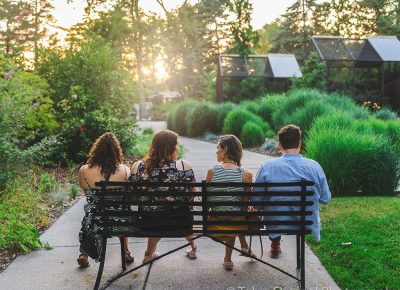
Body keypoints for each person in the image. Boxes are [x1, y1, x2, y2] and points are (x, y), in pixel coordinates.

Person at [252, 124, 332, 258]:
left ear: (280, 145)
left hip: (276, 222)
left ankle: (275, 242)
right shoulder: (314, 166)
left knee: (273, 205)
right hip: (305, 223)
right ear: (300, 144)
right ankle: (278, 244)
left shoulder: (267, 166)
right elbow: (326, 199)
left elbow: (255, 202)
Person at [130, 130, 198, 263]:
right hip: (180, 220)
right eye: (176, 145)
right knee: (181, 211)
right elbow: (193, 193)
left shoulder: (137, 166)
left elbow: (133, 194)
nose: (177, 148)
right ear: (170, 147)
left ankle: (148, 254)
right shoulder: (183, 166)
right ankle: (193, 248)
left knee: (157, 214)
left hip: (148, 221)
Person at [77, 132, 134, 268]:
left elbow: (85, 189)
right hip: (120, 220)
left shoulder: (84, 170)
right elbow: (128, 196)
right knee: (123, 209)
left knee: (91, 213)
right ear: (116, 151)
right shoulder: (125, 170)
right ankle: (125, 251)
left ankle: (84, 254)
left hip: (97, 220)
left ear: (96, 150)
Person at [205, 135, 253, 270]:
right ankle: (239, 250)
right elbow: (244, 206)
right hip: (236, 226)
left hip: (214, 226)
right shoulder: (246, 175)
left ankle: (231, 256)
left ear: (225, 149)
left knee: (229, 213)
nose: (216, 151)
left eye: (217, 148)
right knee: (236, 215)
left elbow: (207, 202)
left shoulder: (211, 172)